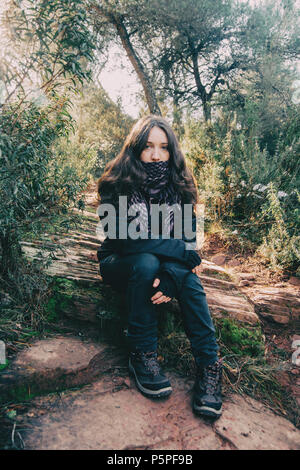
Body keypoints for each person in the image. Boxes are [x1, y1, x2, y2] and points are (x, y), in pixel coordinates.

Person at [96, 115, 223, 419]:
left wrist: (171, 275)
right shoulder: (117, 183)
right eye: (149, 146)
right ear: (136, 148)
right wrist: (179, 251)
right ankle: (142, 353)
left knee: (189, 283)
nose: (156, 155)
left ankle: (209, 366)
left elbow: (191, 250)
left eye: (163, 147)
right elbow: (125, 241)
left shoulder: (180, 187)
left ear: (172, 151)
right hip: (119, 263)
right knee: (146, 259)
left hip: (161, 265)